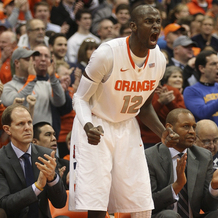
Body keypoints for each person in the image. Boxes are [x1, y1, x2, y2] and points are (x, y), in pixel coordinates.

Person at [70, 5, 179, 218]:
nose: (156, 25)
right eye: (149, 21)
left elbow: (145, 107)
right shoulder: (107, 54)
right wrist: (87, 125)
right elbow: (80, 98)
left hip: (127, 125)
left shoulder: (159, 60)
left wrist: (161, 132)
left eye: (158, 21)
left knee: (140, 198)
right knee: (97, 200)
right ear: (133, 26)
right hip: (96, 123)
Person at [145, 108, 218, 217]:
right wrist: (176, 186)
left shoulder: (203, 156)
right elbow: (149, 204)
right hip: (163, 216)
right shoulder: (150, 156)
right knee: (169, 216)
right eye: (186, 126)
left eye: (194, 127)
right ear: (169, 128)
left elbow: (208, 207)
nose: (192, 131)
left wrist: (214, 186)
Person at [0, 104, 67, 217]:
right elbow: (3, 204)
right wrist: (37, 187)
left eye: (29, 122)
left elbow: (60, 203)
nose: (27, 127)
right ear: (7, 129)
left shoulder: (47, 155)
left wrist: (52, 179)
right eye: (21, 124)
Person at [1, 47, 66, 125]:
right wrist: (31, 79)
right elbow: (15, 105)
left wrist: (52, 77)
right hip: (21, 135)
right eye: (28, 60)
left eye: (33, 59)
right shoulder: (7, 87)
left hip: (44, 136)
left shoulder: (44, 85)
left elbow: (60, 102)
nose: (33, 63)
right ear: (17, 63)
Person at [32, 122, 70, 189]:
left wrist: (60, 182)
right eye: (48, 135)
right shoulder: (29, 166)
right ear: (35, 142)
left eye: (54, 134)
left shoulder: (67, 165)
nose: (54, 138)